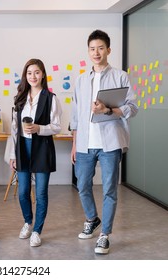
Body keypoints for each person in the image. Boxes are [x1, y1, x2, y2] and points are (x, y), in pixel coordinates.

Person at [70, 30, 138, 254]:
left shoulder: (120, 76)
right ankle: (92, 218)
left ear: (108, 50)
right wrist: (74, 144)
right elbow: (76, 116)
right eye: (92, 49)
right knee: (82, 185)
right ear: (88, 52)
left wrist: (109, 110)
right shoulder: (80, 80)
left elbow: (132, 108)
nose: (96, 52)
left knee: (109, 189)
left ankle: (104, 235)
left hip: (110, 143)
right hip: (84, 144)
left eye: (100, 48)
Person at [9, 58, 62, 247]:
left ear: (43, 75)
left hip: (42, 148)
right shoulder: (19, 98)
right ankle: (27, 222)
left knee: (40, 193)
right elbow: (15, 129)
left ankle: (37, 230)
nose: (33, 76)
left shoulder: (51, 98)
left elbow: (57, 127)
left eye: (37, 72)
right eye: (29, 73)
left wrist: (39, 128)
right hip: (22, 147)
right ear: (25, 76)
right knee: (23, 191)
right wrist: (13, 154)